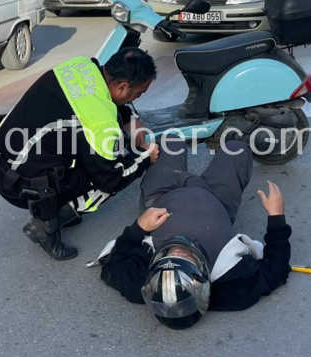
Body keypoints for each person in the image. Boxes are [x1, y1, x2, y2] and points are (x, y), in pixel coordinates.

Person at [0, 48, 160, 260]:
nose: (136, 99)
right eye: (138, 94)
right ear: (122, 86)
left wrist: (131, 117)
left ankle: (61, 207)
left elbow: (99, 98)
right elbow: (111, 179)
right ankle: (45, 226)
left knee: (92, 148)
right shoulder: (100, 122)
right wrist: (145, 157)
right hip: (17, 185)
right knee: (107, 176)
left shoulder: (81, 65)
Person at [95, 140, 292, 329]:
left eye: (167, 256)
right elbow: (275, 271)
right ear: (203, 278)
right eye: (186, 258)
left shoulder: (139, 285)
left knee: (171, 141)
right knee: (238, 148)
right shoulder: (235, 289)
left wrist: (139, 227)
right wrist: (276, 216)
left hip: (163, 194)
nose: (178, 250)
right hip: (217, 199)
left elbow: (114, 265)